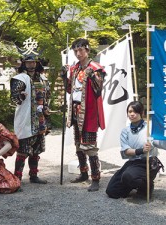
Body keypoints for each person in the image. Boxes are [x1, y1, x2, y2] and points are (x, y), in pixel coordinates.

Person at [105, 101, 166, 199]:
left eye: (135, 111)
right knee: (112, 191)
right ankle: (134, 182)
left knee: (128, 176)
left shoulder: (150, 129)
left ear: (142, 113)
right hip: (133, 163)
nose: (132, 114)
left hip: (148, 162)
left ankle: (147, 185)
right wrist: (141, 150)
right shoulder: (125, 131)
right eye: (129, 111)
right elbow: (126, 151)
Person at [62, 38, 106, 192]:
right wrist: (63, 76)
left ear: (87, 50)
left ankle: (96, 178)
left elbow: (98, 90)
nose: (78, 53)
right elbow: (70, 90)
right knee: (78, 145)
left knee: (90, 146)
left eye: (81, 50)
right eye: (76, 51)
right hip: (75, 110)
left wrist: (92, 76)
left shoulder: (95, 67)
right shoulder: (74, 69)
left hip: (89, 111)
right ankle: (83, 172)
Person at [10, 55, 51, 184]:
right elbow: (14, 97)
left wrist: (46, 108)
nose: (31, 64)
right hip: (26, 117)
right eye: (28, 62)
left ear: (37, 63)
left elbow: (47, 96)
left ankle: (33, 175)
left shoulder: (43, 79)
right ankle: (17, 178)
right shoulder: (20, 78)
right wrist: (20, 96)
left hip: (40, 119)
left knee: (36, 149)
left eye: (33, 62)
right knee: (23, 149)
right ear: (24, 64)